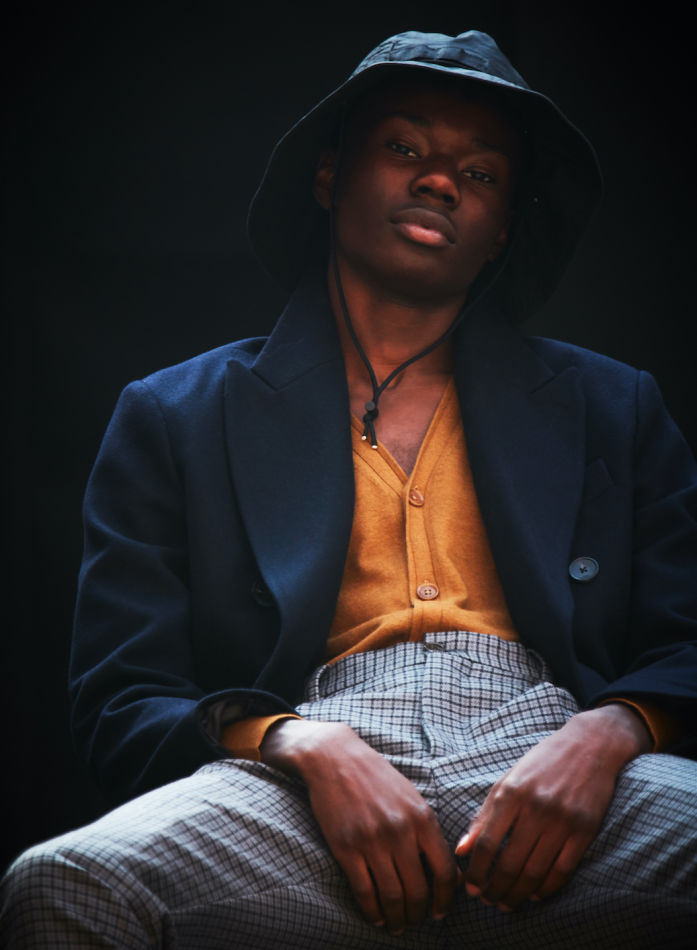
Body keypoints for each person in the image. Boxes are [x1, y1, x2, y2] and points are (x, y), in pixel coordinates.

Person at [2, 28, 696, 950]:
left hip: (571, 778)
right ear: (328, 176)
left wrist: (606, 735)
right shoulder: (177, 413)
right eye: (403, 148)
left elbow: (686, 639)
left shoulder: (612, 404)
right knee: (66, 886)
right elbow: (121, 701)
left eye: (480, 174)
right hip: (296, 796)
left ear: (502, 230)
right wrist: (299, 743)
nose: (439, 181)